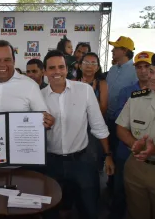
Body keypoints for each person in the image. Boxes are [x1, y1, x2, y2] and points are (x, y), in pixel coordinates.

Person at [41, 50, 114, 219]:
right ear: (45, 71)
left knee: (89, 208)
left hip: (82, 161)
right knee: (50, 210)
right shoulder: (38, 96)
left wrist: (108, 155)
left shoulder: (84, 90)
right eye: (51, 68)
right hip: (51, 163)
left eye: (61, 67)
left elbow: (98, 126)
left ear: (68, 69)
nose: (56, 71)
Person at [115, 51, 155, 219]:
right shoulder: (136, 97)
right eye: (152, 72)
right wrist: (134, 143)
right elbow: (121, 127)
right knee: (136, 213)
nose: (153, 77)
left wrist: (154, 150)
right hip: (135, 167)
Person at [108, 51, 153, 219]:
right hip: (125, 151)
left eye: (147, 66)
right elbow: (120, 121)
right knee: (120, 189)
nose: (143, 71)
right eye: (139, 67)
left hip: (153, 153)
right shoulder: (127, 91)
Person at [0, 40, 54, 129]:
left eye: (7, 60)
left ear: (14, 61)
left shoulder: (30, 86)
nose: (2, 64)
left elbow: (43, 120)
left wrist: (47, 122)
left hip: (20, 141)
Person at [106, 36, 138, 190]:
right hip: (108, 119)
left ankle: (119, 188)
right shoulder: (112, 69)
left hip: (125, 124)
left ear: (124, 51)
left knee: (121, 157)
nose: (112, 50)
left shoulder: (135, 71)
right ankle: (110, 182)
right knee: (109, 153)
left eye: (116, 48)